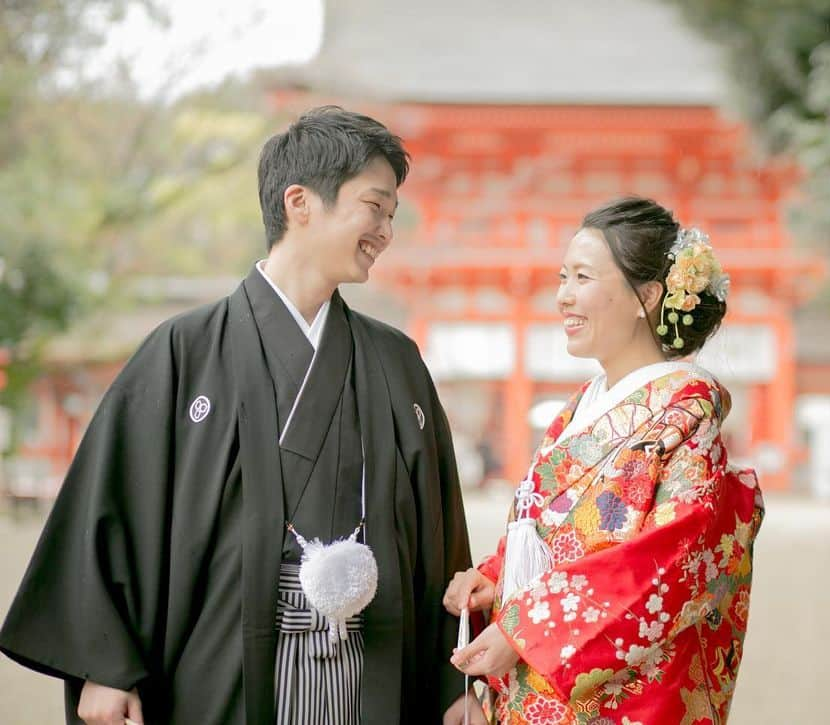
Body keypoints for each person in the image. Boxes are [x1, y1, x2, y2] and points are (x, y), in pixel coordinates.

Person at [1, 106, 476, 724]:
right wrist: (105, 667)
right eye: (374, 207)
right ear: (300, 202)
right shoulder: (183, 351)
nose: (386, 230)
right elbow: (112, 508)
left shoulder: (395, 361)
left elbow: (440, 538)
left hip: (371, 669)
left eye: (390, 215)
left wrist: (455, 679)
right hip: (222, 664)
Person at [444, 197, 764, 724]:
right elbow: (549, 531)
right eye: (562, 277)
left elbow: (665, 563)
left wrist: (527, 628)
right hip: (539, 679)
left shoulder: (688, 411)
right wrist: (497, 578)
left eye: (582, 278)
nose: (563, 296)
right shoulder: (581, 407)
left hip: (613, 698)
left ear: (647, 296)